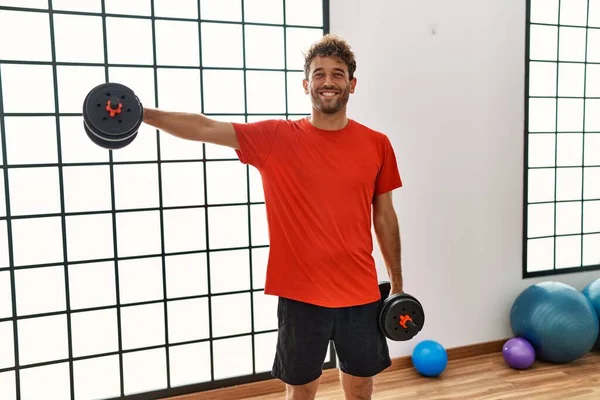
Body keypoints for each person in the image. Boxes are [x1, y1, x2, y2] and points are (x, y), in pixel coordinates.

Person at [142, 33, 404, 400]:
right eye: (319, 74)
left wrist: (397, 283)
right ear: (305, 84)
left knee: (361, 390)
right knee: (300, 393)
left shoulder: (377, 144)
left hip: (359, 294)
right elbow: (203, 127)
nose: (328, 81)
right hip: (301, 295)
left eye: (338, 73)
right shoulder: (276, 138)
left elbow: (385, 216)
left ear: (352, 84)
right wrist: (141, 113)